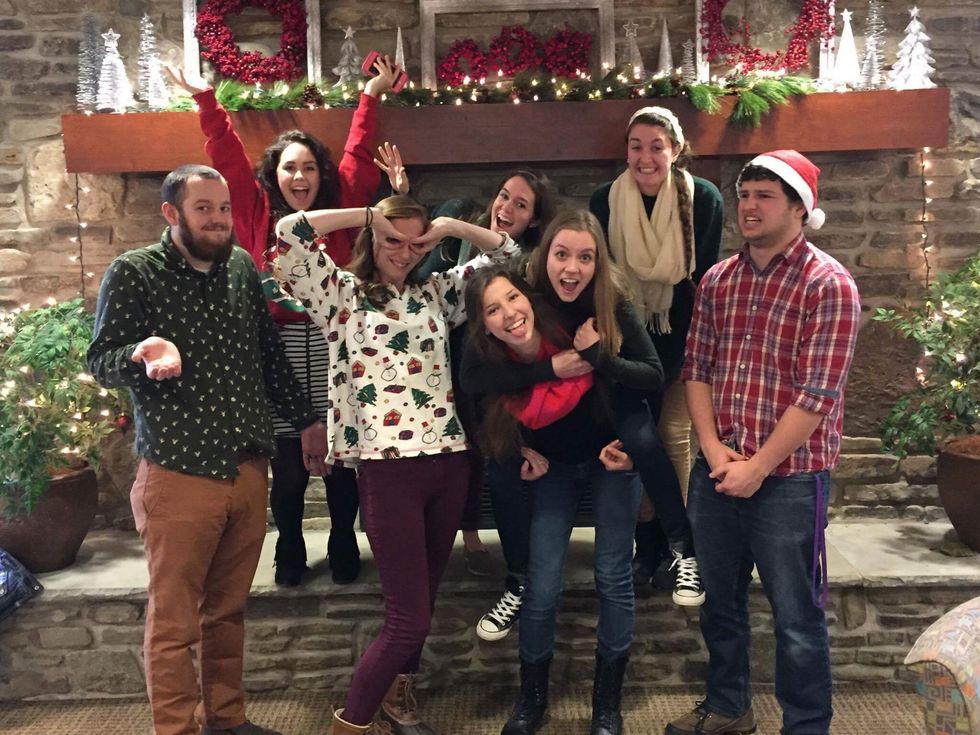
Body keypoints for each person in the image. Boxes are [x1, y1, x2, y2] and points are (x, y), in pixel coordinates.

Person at [87, 165, 328, 735]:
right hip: (180, 472)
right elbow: (100, 360)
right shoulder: (134, 272)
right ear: (172, 213)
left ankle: (226, 719)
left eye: (223, 208)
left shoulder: (240, 267)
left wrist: (307, 421)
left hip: (248, 467)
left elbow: (269, 353)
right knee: (174, 625)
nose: (219, 219)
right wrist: (141, 353)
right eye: (204, 209)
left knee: (227, 611)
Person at [271, 196, 519, 735]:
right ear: (373, 238)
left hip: (449, 463)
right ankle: (351, 723)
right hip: (388, 470)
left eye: (415, 244)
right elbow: (289, 232)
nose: (405, 253)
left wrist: (449, 227)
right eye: (393, 240)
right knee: (408, 618)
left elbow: (510, 255)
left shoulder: (437, 294)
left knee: (422, 603)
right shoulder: (340, 294)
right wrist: (366, 215)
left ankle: (398, 700)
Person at [167, 58, 406, 586]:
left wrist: (371, 93)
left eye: (310, 168)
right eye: (290, 167)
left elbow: (358, 152)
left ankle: (343, 538)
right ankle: (291, 543)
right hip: (275, 351)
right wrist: (206, 99)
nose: (300, 177)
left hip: (337, 347)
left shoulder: (341, 207)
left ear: (322, 175)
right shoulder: (254, 210)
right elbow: (225, 154)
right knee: (290, 466)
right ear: (274, 175)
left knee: (341, 461)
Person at [665, 150, 860, 735]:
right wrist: (710, 448)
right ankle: (729, 708)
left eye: (765, 196)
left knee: (797, 618)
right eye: (745, 195)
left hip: (791, 481)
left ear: (800, 208)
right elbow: (696, 369)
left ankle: (806, 725)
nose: (749, 206)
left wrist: (758, 467)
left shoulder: (829, 285)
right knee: (719, 606)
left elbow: (817, 396)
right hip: (718, 470)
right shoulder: (718, 281)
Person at [462, 211, 663, 735]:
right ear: (544, 256)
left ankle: (606, 704)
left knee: (613, 577)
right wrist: (529, 427)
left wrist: (600, 363)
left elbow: (653, 378)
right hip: (552, 467)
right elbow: (482, 379)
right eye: (561, 254)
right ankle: (531, 699)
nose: (571, 267)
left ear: (598, 262)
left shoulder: (611, 305)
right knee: (542, 582)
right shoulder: (526, 301)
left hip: (611, 462)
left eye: (585, 257)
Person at [590, 106, 723, 601]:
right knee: (635, 443)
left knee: (672, 437)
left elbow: (701, 279)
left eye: (657, 146)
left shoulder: (702, 198)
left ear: (676, 150)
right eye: (636, 146)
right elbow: (606, 280)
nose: (645, 157)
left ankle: (678, 546)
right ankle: (645, 544)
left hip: (682, 336)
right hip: (628, 341)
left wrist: (689, 355)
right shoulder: (604, 200)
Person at [416, 170, 557, 635]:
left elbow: (506, 253)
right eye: (503, 196)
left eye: (521, 204)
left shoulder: (527, 264)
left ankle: (523, 572)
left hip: (505, 387)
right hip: (456, 372)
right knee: (468, 460)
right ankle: (477, 543)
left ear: (535, 219)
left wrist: (451, 225)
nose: (506, 208)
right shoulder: (462, 256)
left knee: (501, 464)